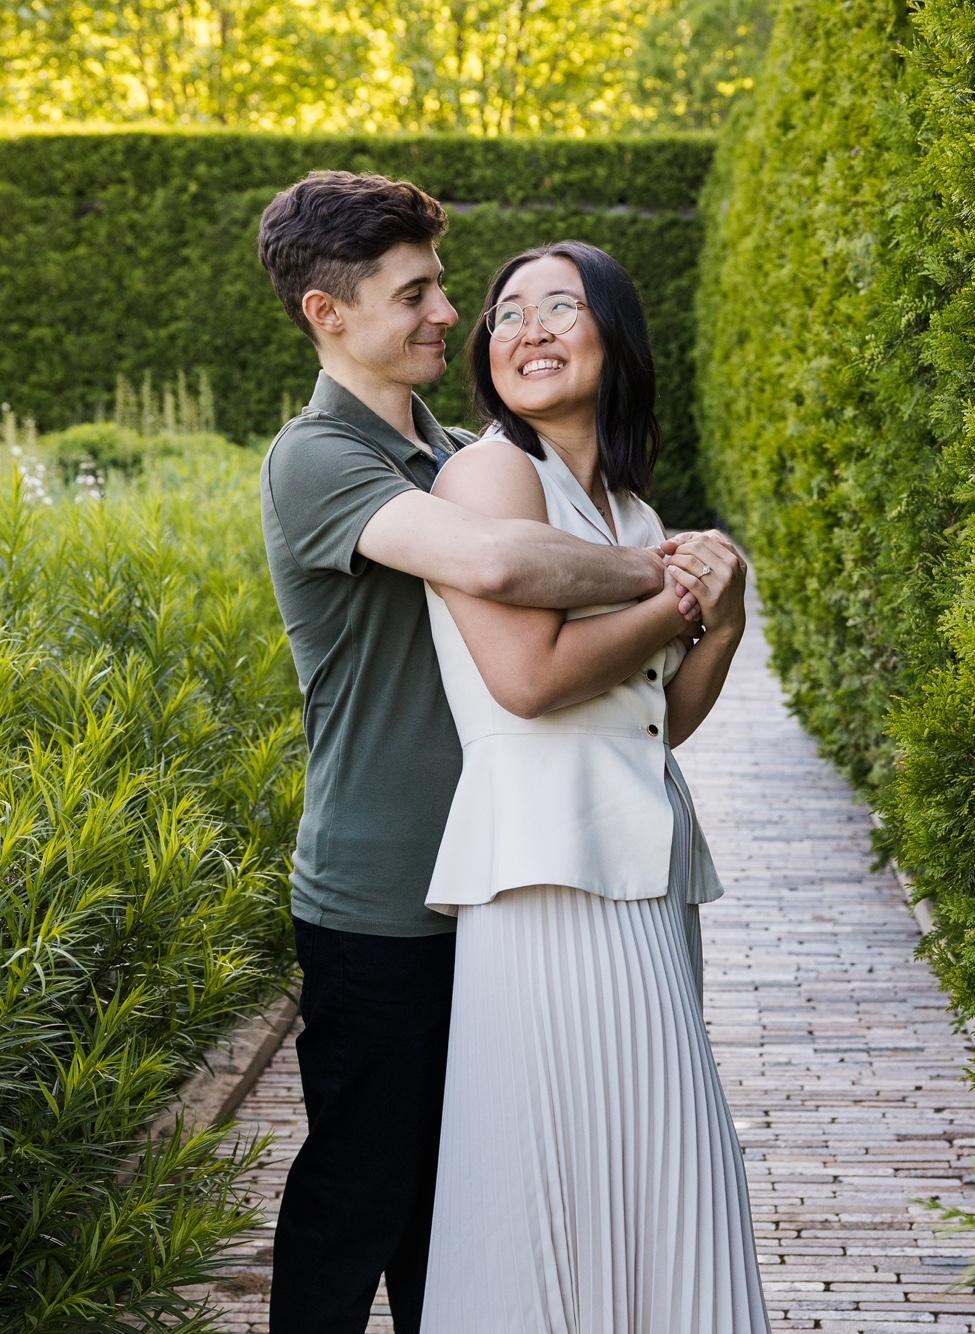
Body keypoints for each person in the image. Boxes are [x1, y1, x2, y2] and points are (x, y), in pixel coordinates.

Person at [256, 172, 708, 1332]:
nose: (447, 313)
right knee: (360, 1194)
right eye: (414, 294)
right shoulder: (317, 457)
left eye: (442, 286)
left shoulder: (467, 451)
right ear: (327, 313)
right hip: (382, 893)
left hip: (505, 881)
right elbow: (501, 565)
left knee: (465, 1209)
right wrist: (671, 574)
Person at [418, 240, 771, 1332]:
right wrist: (676, 603)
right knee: (573, 1171)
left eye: (560, 307)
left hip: (643, 870)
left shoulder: (628, 509)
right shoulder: (490, 474)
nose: (527, 328)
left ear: (614, 335)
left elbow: (655, 722)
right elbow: (527, 682)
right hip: (542, 873)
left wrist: (724, 618)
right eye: (506, 312)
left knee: (655, 1163)